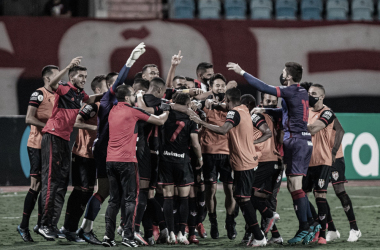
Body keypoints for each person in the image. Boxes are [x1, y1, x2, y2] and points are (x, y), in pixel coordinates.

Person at [227, 62, 314, 245]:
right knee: (294, 187)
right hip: (302, 140)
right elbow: (285, 112)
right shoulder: (302, 92)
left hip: (295, 141)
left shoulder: (291, 90)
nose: (282, 75)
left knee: (294, 187)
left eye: (284, 73)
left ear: (289, 76)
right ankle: (308, 225)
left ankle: (306, 226)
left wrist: (241, 71)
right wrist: (266, 109)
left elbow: (263, 87)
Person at [191, 88, 280, 247]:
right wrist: (217, 105)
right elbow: (228, 109)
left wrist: (202, 123)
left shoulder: (234, 113)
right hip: (248, 160)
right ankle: (265, 224)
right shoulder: (245, 109)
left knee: (244, 199)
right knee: (242, 197)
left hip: (243, 162)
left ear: (226, 98)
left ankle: (260, 233)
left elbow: (224, 129)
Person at [76, 43, 146, 245]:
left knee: (110, 192)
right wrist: (131, 61)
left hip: (110, 150)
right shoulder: (107, 100)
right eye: (117, 84)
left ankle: (91, 229)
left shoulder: (117, 103)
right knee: (112, 192)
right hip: (109, 151)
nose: (123, 86)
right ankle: (116, 231)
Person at [38, 57, 103, 240]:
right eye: (81, 76)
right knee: (51, 182)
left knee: (59, 184)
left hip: (64, 140)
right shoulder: (65, 87)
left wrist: (108, 94)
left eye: (86, 76)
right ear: (72, 77)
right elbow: (51, 84)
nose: (84, 79)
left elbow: (89, 98)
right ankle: (44, 224)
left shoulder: (78, 94)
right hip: (53, 136)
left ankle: (50, 225)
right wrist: (67, 66)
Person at [102, 85, 169, 247]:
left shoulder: (112, 110)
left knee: (113, 201)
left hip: (110, 160)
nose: (135, 96)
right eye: (133, 94)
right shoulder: (133, 111)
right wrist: (166, 110)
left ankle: (108, 237)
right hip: (127, 161)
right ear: (127, 98)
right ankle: (128, 237)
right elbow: (159, 121)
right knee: (131, 200)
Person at [59, 75, 108, 242]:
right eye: (108, 86)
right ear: (99, 90)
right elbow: (76, 122)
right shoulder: (93, 105)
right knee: (83, 191)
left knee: (85, 192)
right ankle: (70, 228)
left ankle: (70, 228)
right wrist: (96, 128)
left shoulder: (107, 105)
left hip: (95, 154)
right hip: (83, 153)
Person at [17, 65, 59, 242]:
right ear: (48, 79)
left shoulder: (59, 94)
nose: (61, 80)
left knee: (47, 187)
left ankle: (41, 224)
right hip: (37, 144)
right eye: (58, 76)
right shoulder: (38, 94)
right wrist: (49, 127)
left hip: (52, 146)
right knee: (36, 186)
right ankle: (23, 226)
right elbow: (29, 118)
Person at [158, 93, 203, 245]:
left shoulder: (165, 113)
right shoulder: (191, 118)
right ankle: (182, 234)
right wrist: (200, 158)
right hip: (182, 160)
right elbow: (195, 143)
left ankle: (171, 233)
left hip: (165, 159)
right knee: (184, 198)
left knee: (168, 197)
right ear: (188, 103)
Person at [305, 83, 345, 244]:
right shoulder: (305, 112)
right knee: (300, 195)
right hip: (307, 160)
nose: (310, 96)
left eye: (313, 93)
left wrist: (295, 125)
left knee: (320, 195)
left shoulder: (327, 113)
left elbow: (314, 128)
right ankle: (316, 224)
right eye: (309, 93)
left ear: (321, 97)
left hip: (323, 160)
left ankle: (322, 234)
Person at [198, 73, 236, 240]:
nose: (220, 88)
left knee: (230, 190)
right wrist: (203, 102)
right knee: (210, 190)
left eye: (222, 85)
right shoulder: (203, 104)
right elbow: (194, 103)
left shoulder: (231, 105)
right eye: (217, 85)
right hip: (208, 153)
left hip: (227, 152)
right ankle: (213, 222)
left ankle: (230, 222)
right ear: (211, 87)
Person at [325, 123, 361, 242]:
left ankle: (354, 228)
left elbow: (341, 130)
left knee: (340, 191)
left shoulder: (328, 113)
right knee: (319, 193)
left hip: (335, 158)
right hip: (319, 158)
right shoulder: (306, 113)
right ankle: (332, 229)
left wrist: (334, 151)